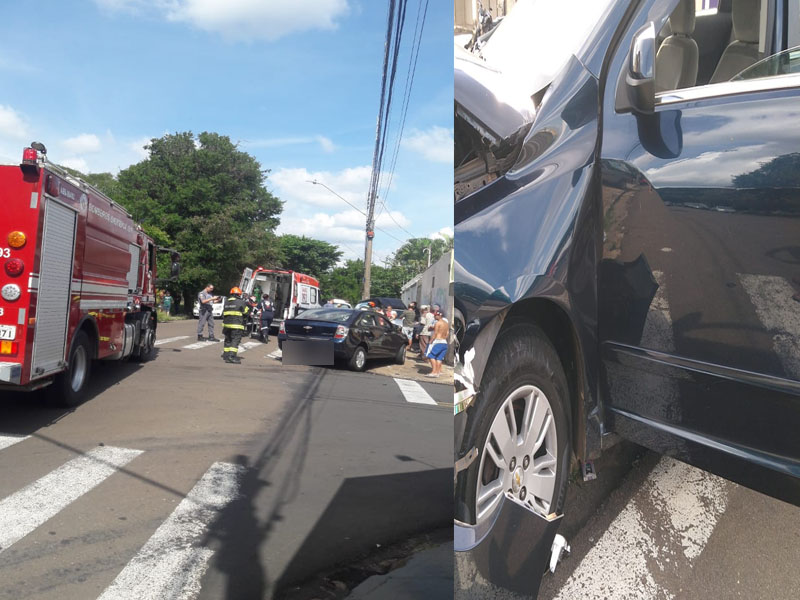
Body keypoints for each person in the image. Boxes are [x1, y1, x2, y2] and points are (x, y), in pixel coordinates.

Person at [221, 287, 250, 364]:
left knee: (228, 339)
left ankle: (226, 354)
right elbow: (246, 312)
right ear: (238, 294)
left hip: (226, 325)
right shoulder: (241, 302)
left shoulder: (226, 302)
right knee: (235, 340)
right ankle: (231, 357)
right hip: (236, 325)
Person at [425, 310, 449, 378]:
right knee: (439, 358)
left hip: (437, 341)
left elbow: (435, 333)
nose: (434, 316)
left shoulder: (438, 323)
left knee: (431, 356)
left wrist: (431, 341)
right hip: (444, 342)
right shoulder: (446, 323)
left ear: (439, 315)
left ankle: (434, 372)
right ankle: (438, 372)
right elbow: (447, 333)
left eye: (435, 315)